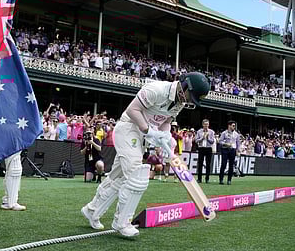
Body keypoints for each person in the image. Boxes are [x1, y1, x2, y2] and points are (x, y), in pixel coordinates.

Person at [81, 72, 210, 237]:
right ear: (184, 86)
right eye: (191, 96)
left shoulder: (180, 103)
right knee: (137, 174)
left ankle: (92, 210)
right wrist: (149, 131)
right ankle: (122, 222)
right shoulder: (156, 89)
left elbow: (165, 122)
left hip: (142, 136)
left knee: (118, 177)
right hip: (128, 129)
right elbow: (132, 110)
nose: (190, 100)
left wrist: (165, 138)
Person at [218, 120, 241, 185]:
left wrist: (238, 150)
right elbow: (220, 141)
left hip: (232, 150)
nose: (234, 127)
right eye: (233, 126)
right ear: (229, 126)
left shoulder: (236, 134)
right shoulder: (224, 133)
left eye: (234, 126)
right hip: (225, 149)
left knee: (231, 165)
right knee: (223, 164)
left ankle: (229, 180)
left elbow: (238, 143)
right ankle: (221, 179)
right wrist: (225, 144)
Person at [194, 119, 215, 183]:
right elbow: (196, 140)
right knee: (200, 163)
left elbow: (212, 141)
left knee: (208, 164)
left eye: (207, 124)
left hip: (208, 148)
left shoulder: (211, 132)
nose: (206, 126)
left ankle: (207, 178)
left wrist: (208, 138)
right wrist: (202, 138)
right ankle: (199, 178)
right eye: (205, 124)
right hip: (201, 148)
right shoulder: (199, 131)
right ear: (203, 124)